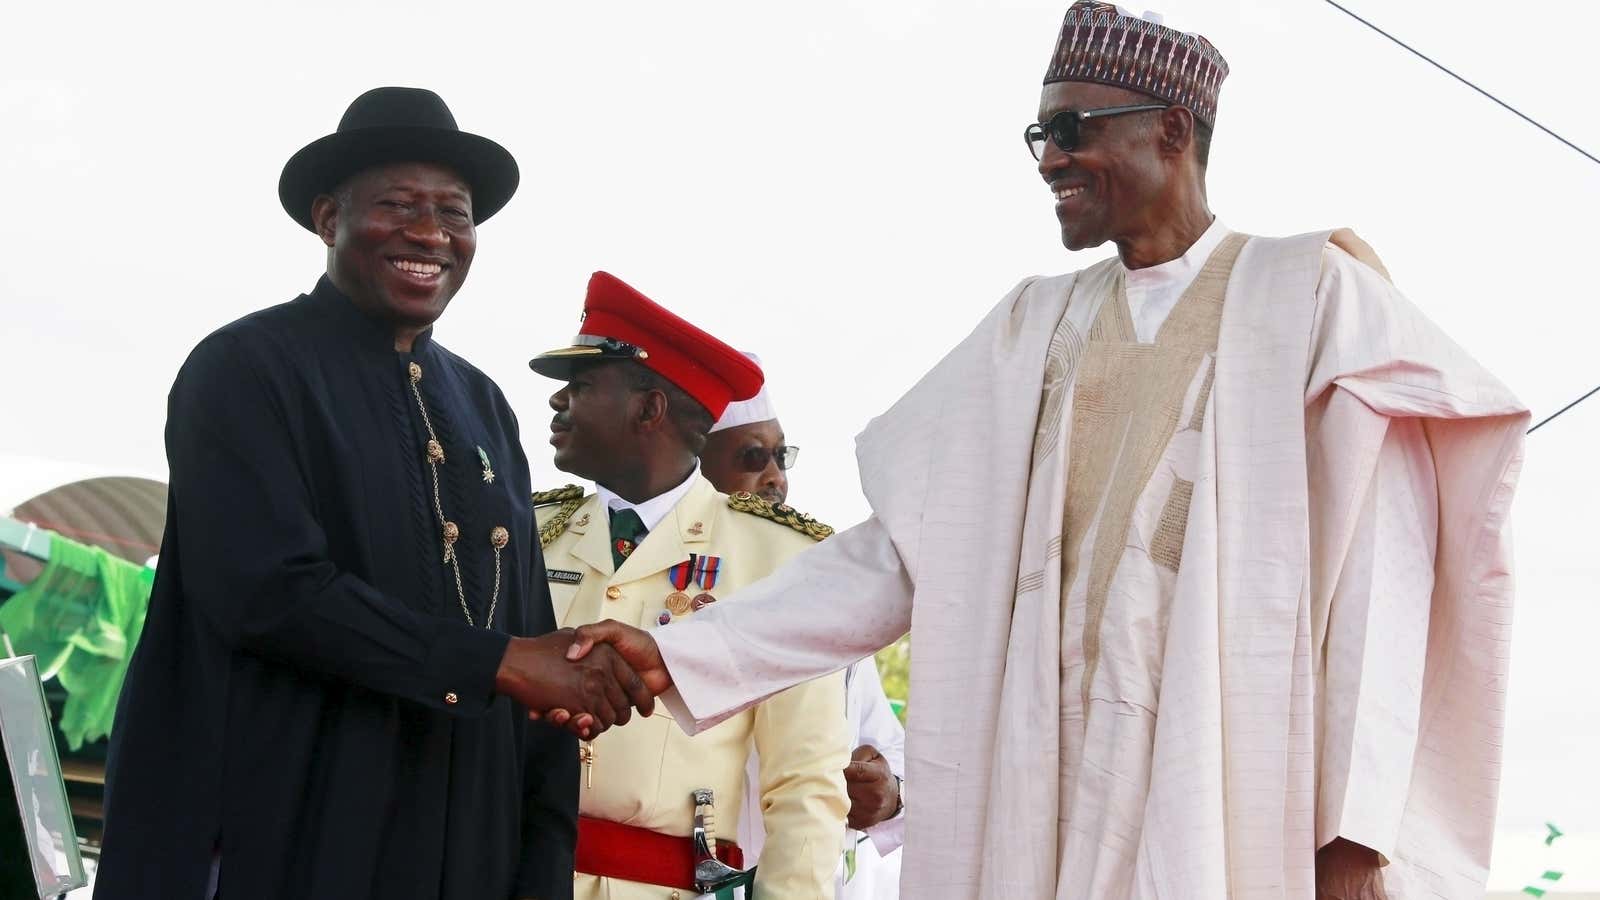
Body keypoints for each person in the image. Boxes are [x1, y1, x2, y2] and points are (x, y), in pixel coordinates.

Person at [556, 5, 1531, 899]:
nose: (1046, 158)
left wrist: (1355, 841)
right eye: (1039, 134)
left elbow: (1382, 585)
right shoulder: (1029, 329)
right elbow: (896, 556)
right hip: (1038, 802)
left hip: (1230, 801)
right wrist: (680, 652)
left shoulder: (1312, 299)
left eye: (1072, 130)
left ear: (1172, 131)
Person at [97, 87, 650, 900]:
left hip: (466, 850)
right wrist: (502, 662)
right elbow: (267, 593)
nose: (430, 234)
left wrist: (539, 857)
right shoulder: (246, 367)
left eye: (454, 214)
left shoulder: (484, 405)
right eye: (398, 205)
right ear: (329, 218)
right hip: (286, 831)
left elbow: (530, 635)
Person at [528, 272, 849, 899]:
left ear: (650, 410)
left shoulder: (779, 557)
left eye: (582, 385)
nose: (556, 401)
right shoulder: (527, 532)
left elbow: (804, 783)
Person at [701, 357, 907, 899]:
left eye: (780, 456)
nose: (775, 478)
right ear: (697, 470)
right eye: (752, 458)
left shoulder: (822, 596)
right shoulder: (680, 602)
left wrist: (888, 793)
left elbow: (886, 747)